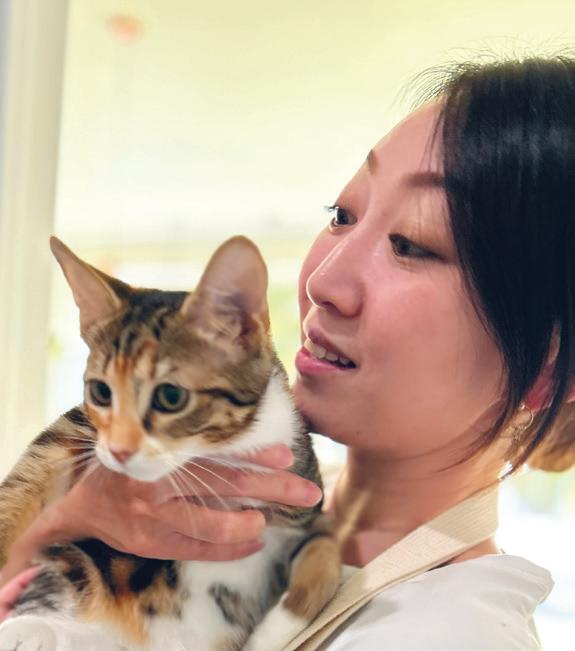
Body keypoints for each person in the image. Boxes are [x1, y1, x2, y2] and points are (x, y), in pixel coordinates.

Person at [1, 55, 575, 649]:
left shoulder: (451, 634)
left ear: (546, 368)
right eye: (342, 216)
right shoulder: (207, 494)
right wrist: (62, 522)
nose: (324, 280)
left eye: (411, 243)